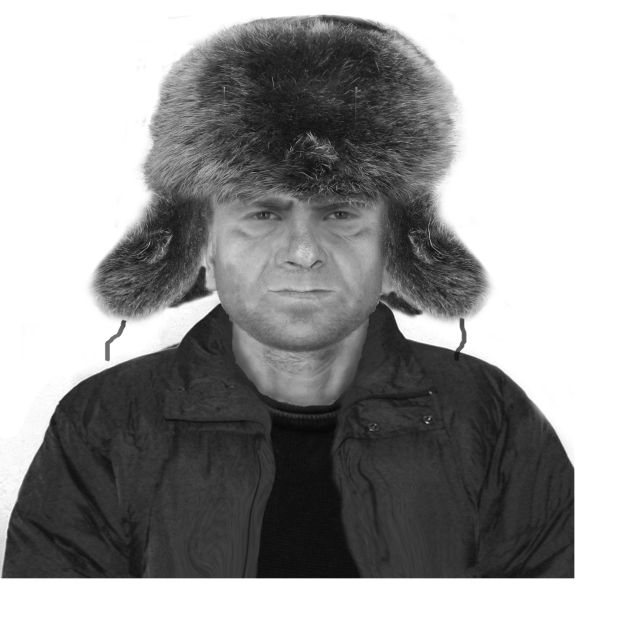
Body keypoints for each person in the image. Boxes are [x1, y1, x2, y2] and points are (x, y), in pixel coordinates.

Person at [2, 15, 573, 578]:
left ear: (395, 249)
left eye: (341, 212)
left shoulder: (487, 415)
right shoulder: (107, 422)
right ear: (204, 248)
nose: (303, 251)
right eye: (262, 213)